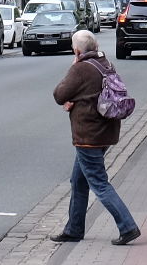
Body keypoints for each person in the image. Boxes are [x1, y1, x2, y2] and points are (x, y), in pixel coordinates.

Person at [49, 30, 140, 246]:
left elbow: (59, 94)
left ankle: (128, 226)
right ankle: (74, 229)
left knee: (99, 183)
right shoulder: (105, 63)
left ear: (77, 50)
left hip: (88, 134)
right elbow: (91, 93)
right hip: (106, 131)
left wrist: (73, 66)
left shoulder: (80, 69)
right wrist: (77, 99)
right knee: (78, 181)